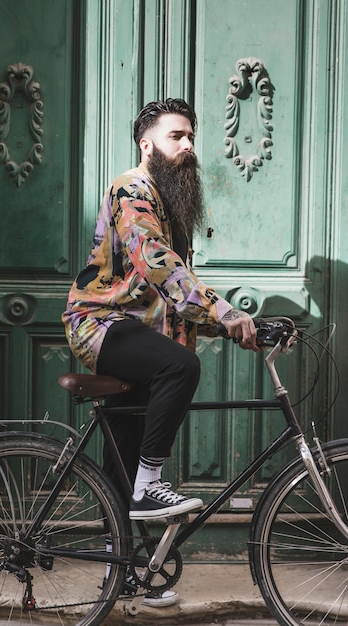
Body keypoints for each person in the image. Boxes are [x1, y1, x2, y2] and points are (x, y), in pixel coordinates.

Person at [62, 98, 259, 606]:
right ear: (147, 143)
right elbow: (155, 264)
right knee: (180, 365)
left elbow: (172, 300)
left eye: (192, 136)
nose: (189, 146)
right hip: (101, 323)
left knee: (120, 462)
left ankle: (122, 573)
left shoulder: (170, 204)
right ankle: (151, 485)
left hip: (137, 334)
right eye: (177, 136)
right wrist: (226, 312)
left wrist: (236, 326)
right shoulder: (133, 188)